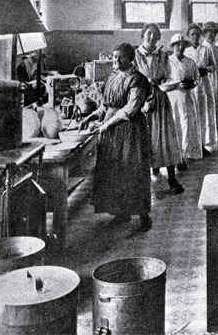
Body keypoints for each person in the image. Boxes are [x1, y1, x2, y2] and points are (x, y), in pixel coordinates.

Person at [81, 43, 152, 231]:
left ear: (130, 58)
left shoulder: (138, 80)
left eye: (120, 57)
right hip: (111, 132)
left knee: (132, 170)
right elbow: (106, 105)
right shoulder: (112, 78)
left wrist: (106, 124)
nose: (116, 60)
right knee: (115, 171)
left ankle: (143, 216)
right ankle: (122, 213)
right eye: (114, 57)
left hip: (131, 132)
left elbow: (130, 109)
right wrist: (92, 116)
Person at [134, 23, 184, 194]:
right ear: (143, 35)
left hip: (160, 98)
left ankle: (171, 178)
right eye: (148, 33)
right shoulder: (136, 55)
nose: (152, 37)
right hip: (141, 100)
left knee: (165, 136)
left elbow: (168, 75)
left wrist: (164, 82)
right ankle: (142, 182)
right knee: (144, 138)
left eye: (155, 34)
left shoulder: (163, 55)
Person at [166, 34, 202, 163]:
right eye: (177, 45)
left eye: (182, 45)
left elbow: (197, 77)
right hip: (174, 97)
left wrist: (193, 83)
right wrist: (176, 84)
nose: (180, 47)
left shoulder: (190, 62)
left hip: (188, 97)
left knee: (188, 125)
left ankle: (187, 154)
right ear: (173, 46)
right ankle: (177, 157)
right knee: (177, 126)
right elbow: (165, 80)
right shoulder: (168, 62)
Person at [184, 23, 218, 152]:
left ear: (201, 35)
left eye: (197, 34)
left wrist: (207, 69)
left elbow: (214, 66)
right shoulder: (186, 51)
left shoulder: (206, 49)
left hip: (205, 83)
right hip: (192, 85)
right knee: (194, 113)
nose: (195, 37)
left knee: (204, 113)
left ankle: (203, 144)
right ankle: (193, 145)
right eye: (192, 34)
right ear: (188, 36)